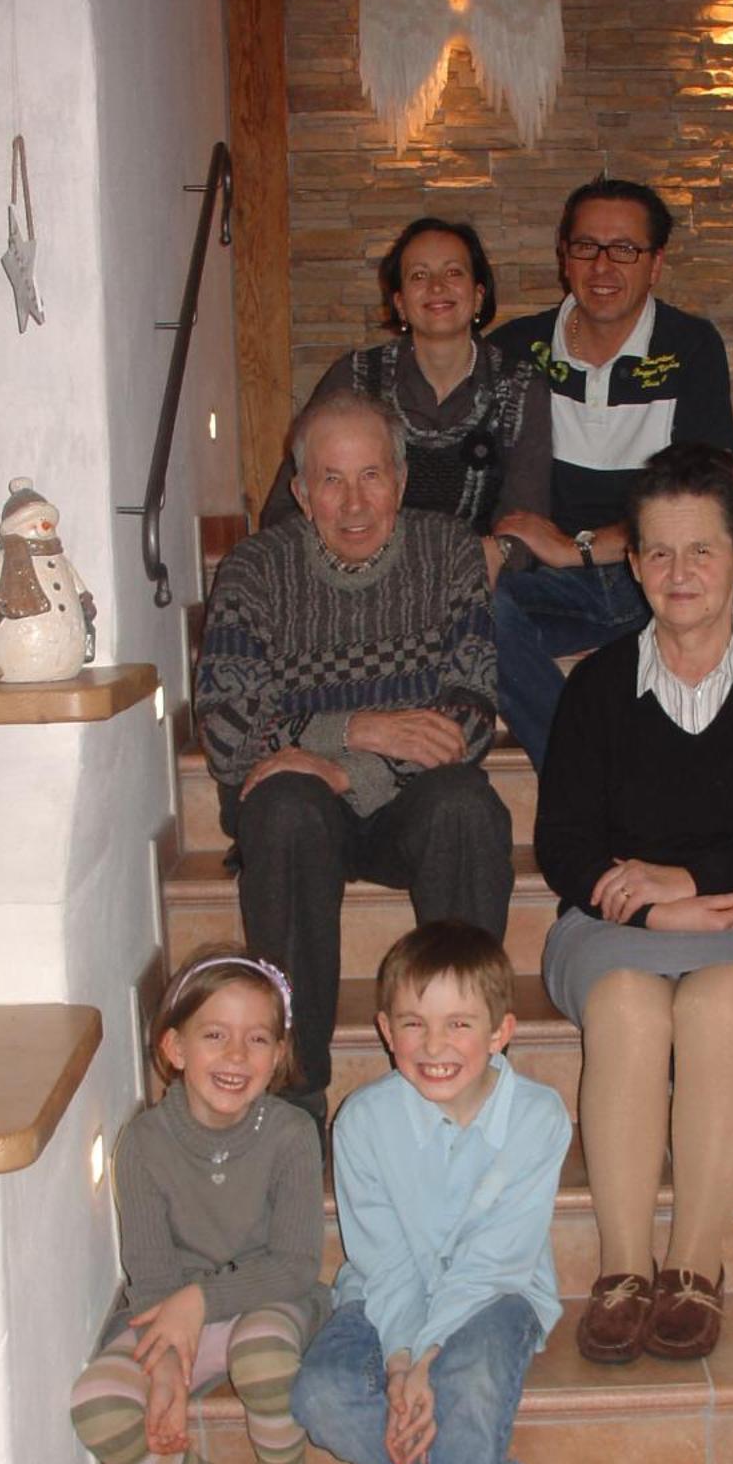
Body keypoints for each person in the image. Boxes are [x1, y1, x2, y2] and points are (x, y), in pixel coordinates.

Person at [533, 444, 733, 1365]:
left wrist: (689, 880)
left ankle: (696, 1265)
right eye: (659, 554)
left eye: (701, 551)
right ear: (633, 565)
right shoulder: (596, 686)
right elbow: (564, 850)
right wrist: (649, 912)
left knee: (715, 1005)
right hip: (611, 921)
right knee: (629, 1003)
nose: (680, 575)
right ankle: (626, 1270)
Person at [195, 389, 514, 1128]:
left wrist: (342, 763)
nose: (355, 502)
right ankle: (297, 1094)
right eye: (331, 481)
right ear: (301, 492)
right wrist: (360, 729)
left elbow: (466, 719)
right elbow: (229, 734)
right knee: (280, 809)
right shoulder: (252, 570)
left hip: (413, 806)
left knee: (467, 805)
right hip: (307, 815)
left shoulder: (448, 555)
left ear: (401, 482)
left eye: (372, 476)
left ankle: (463, 1077)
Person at [292, 922, 570, 1464]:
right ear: (384, 1031)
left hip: (497, 1301)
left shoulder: (538, 1117)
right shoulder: (364, 1120)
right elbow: (383, 1262)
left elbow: (492, 1264)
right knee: (320, 1393)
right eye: (413, 1023)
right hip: (380, 1301)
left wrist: (429, 1363)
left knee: (473, 1381)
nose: (435, 1045)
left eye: (459, 1025)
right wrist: (407, 1354)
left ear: (501, 1032)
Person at [69, 948, 329, 1464]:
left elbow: (295, 1266)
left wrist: (199, 1303)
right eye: (215, 1035)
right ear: (176, 1048)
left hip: (272, 1302)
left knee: (264, 1349)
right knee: (96, 1407)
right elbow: (155, 1280)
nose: (237, 1056)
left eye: (257, 1039)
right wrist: (164, 1371)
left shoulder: (293, 1134)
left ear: (279, 1055)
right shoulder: (145, 1144)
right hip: (176, 1311)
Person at [487, 175, 733, 767]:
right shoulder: (519, 350)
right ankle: (584, 769)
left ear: (655, 264)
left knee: (724, 571)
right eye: (586, 247)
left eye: (624, 249)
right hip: (555, 593)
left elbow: (706, 496)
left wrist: (574, 547)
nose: (602, 266)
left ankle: (718, 766)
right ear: (564, 257)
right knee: (468, 604)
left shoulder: (689, 346)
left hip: (649, 575)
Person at [261, 216, 551, 572]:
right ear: (399, 303)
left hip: (471, 574)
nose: (436, 287)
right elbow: (284, 508)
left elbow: (524, 523)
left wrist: (493, 558)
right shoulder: (354, 377)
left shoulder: (521, 388)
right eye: (418, 275)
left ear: (478, 295)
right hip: (362, 572)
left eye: (454, 273)